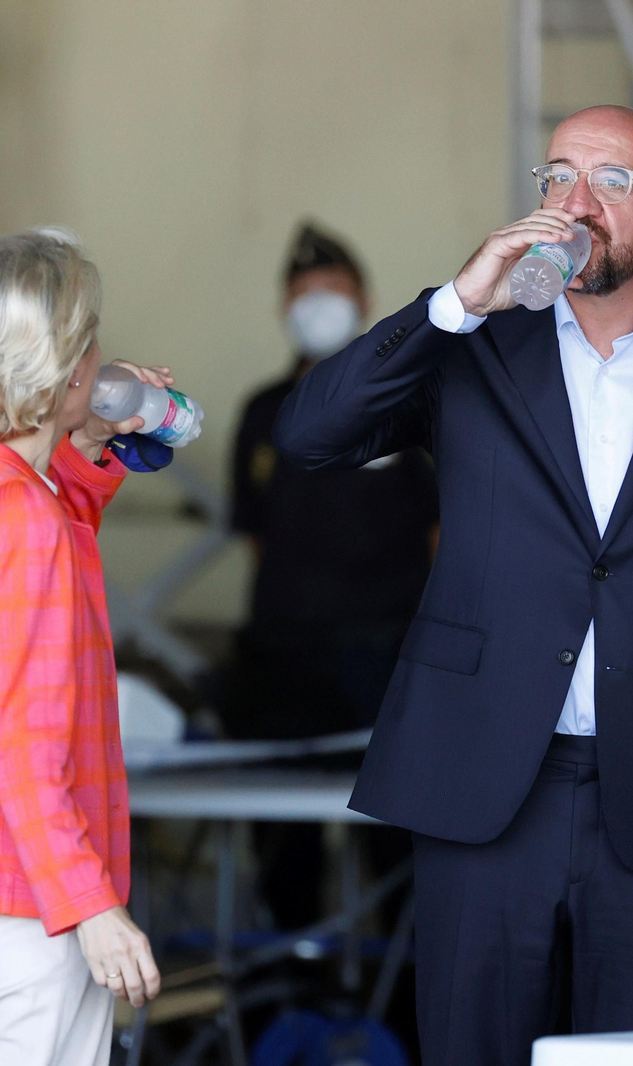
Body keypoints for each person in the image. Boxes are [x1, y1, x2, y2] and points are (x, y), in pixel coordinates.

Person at [274, 104, 633, 1064]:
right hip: (485, 772)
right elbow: (309, 436)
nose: (575, 203)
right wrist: (454, 301)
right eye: (556, 177)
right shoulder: (477, 339)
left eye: (612, 181)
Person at [0, 228, 165, 1064]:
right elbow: (20, 745)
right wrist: (92, 907)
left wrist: (77, 454)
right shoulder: (24, 519)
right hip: (23, 904)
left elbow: (38, 529)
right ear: (69, 371)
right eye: (88, 344)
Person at [227, 222, 436, 930]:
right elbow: (258, 535)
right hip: (287, 666)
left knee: (402, 864)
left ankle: (405, 1033)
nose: (318, 305)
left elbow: (446, 532)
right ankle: (285, 1016)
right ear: (284, 307)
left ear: (365, 300)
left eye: (333, 291)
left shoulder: (409, 403)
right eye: (303, 293)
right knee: (286, 865)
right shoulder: (263, 414)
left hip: (393, 667)